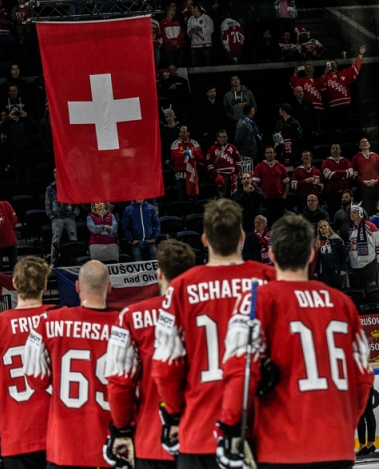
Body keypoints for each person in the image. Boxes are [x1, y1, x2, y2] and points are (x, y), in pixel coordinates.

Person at [216, 214, 372, 469]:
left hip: (280, 447)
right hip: (336, 447)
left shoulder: (257, 300)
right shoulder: (343, 304)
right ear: (312, 253)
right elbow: (363, 377)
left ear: (272, 254)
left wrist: (229, 427)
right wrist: (343, 427)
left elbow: (239, 370)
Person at [152, 199, 275, 469]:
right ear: (242, 237)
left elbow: (164, 367)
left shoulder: (181, 287)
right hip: (259, 432)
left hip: (199, 430)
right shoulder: (268, 279)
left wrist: (175, 414)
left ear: (205, 240)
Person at [104, 239, 196, 469]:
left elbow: (119, 382)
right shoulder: (208, 312)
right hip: (203, 435)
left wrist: (121, 428)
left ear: (159, 273)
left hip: (152, 437)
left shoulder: (131, 316)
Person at [18, 260, 118, 468]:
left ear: (77, 286)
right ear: (109, 287)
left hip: (64, 447)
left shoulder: (49, 321)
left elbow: (35, 378)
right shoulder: (123, 324)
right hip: (107, 445)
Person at [0, 257, 51, 467]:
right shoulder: (62, 317)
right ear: (45, 284)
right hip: (60, 432)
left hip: (15, 434)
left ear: (14, 283)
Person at [46, 168, 80, 266]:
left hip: (69, 217)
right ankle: (53, 262)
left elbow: (76, 201)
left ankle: (75, 260)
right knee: (55, 241)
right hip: (57, 218)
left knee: (73, 239)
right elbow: (48, 204)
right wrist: (51, 216)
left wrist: (75, 214)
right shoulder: (50, 188)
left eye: (57, 172)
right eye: (54, 172)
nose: (56, 174)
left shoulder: (69, 186)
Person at [253, 147, 289, 225]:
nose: (269, 154)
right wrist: (259, 195)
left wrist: (284, 196)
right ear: (264, 154)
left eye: (271, 152)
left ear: (275, 154)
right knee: (266, 222)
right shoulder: (259, 166)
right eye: (267, 153)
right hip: (265, 199)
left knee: (279, 222)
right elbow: (255, 183)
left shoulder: (281, 167)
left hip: (278, 198)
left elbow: (286, 183)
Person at [348, 205, 379, 290]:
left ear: (360, 214)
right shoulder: (350, 228)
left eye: (354, 212)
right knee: (361, 287)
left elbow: (377, 242)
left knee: (371, 285)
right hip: (355, 263)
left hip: (369, 261)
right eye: (351, 212)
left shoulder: (369, 226)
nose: (351, 214)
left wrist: (378, 259)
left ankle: (374, 299)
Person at [322, 143, 356, 220]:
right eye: (333, 148)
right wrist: (344, 175)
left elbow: (350, 173)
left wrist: (336, 172)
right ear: (330, 150)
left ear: (340, 150)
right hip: (332, 193)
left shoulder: (346, 161)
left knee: (348, 213)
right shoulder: (325, 162)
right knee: (334, 215)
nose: (335, 150)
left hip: (345, 192)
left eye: (337, 148)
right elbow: (328, 175)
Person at [170, 125, 204, 200]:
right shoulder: (175, 143)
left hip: (192, 172)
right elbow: (177, 158)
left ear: (188, 133)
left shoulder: (194, 143)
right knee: (181, 196)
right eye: (181, 132)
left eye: (184, 132)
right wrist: (191, 153)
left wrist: (185, 153)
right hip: (180, 173)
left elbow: (199, 156)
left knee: (194, 195)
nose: (182, 134)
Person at [206, 129, 242, 198]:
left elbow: (238, 160)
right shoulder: (212, 149)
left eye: (226, 136)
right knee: (221, 198)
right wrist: (216, 175)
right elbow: (209, 164)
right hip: (220, 177)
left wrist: (235, 172)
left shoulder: (232, 147)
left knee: (233, 197)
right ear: (218, 138)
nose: (225, 138)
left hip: (232, 177)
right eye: (222, 137)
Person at [313, 219, 347, 290]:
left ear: (329, 227)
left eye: (325, 226)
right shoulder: (316, 243)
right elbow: (315, 258)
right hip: (323, 271)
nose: (323, 228)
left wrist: (343, 268)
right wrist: (315, 271)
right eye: (321, 227)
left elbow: (343, 255)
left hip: (336, 270)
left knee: (337, 290)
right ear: (319, 230)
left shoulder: (337, 240)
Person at [353, 138, 379, 216]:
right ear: (359, 146)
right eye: (362, 142)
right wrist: (364, 182)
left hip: (377, 187)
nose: (364, 143)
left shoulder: (376, 156)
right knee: (367, 210)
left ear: (369, 144)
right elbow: (354, 174)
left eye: (366, 141)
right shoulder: (356, 158)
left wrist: (377, 180)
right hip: (363, 189)